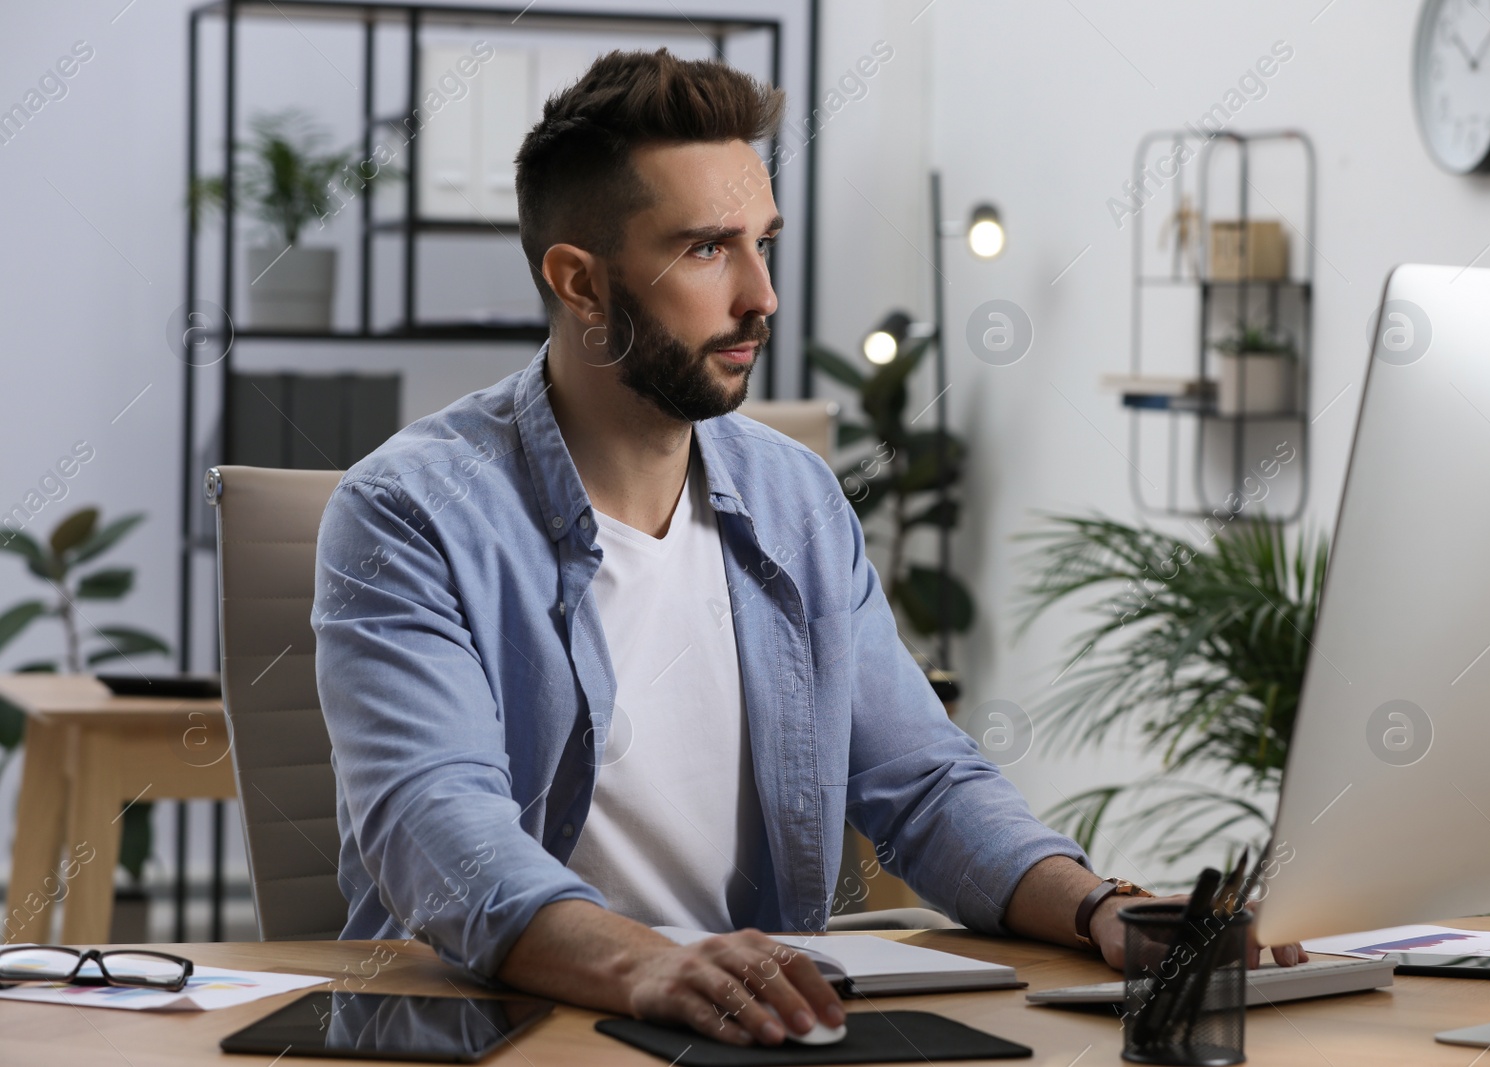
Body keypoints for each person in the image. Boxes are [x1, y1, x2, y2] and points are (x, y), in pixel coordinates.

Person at [312, 48, 1304, 1049]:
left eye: (764, 243)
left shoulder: (794, 498)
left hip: (752, 1032)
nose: (762, 296)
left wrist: (1101, 907)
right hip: (506, 1036)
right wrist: (649, 959)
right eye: (706, 249)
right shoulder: (409, 512)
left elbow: (923, 782)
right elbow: (436, 824)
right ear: (579, 282)